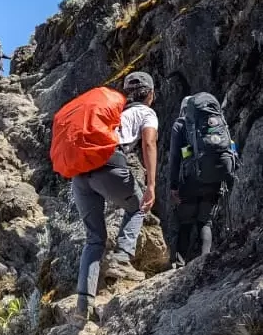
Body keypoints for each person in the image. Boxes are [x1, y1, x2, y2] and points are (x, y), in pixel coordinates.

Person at [71, 72, 159, 321]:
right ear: (150, 94)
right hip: (109, 164)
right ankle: (122, 256)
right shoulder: (146, 112)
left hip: (80, 172)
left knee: (94, 239)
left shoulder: (111, 110)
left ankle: (83, 304)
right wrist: (151, 185)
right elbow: (149, 144)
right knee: (138, 205)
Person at [169, 93, 235, 268]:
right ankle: (205, 262)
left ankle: (179, 264)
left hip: (190, 180)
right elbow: (230, 146)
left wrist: (173, 186)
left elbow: (175, 158)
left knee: (185, 221)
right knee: (205, 221)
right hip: (214, 179)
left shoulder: (180, 125)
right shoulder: (217, 123)